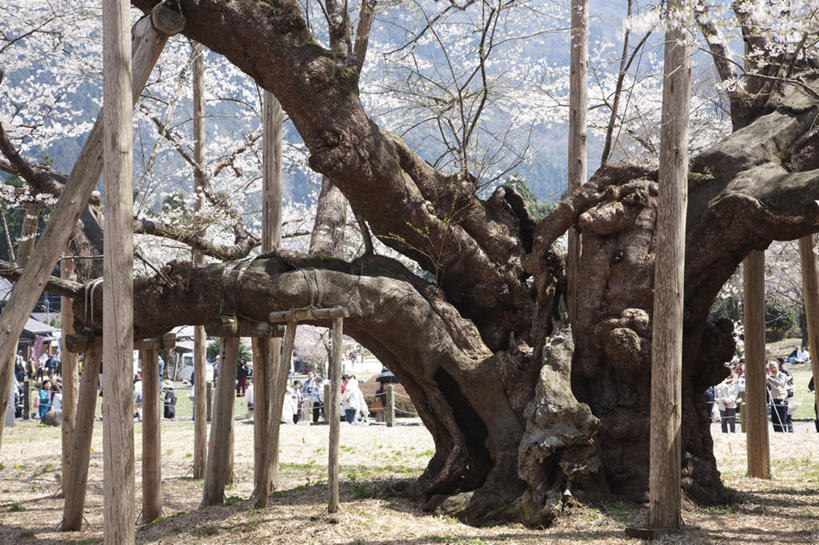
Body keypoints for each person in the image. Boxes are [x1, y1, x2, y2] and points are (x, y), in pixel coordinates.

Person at [766, 361, 789, 432]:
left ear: (777, 367)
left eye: (774, 367)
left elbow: (779, 384)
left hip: (781, 399)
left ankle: (783, 434)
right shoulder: (772, 377)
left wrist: (769, 378)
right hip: (773, 400)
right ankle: (777, 434)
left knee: (781, 419)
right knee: (775, 420)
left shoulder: (782, 375)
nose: (772, 370)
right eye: (770, 368)